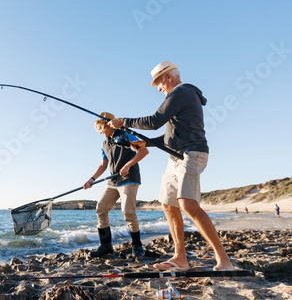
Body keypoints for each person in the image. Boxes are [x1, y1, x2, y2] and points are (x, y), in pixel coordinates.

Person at [109, 61, 234, 271]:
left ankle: (224, 261)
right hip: (175, 157)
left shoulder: (181, 93)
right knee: (167, 203)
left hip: (191, 154)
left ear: (167, 77)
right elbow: (168, 136)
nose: (158, 88)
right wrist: (146, 143)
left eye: (158, 82)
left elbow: (155, 121)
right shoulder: (178, 97)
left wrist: (124, 122)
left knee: (188, 204)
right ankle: (180, 258)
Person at [83, 112, 149, 258]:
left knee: (128, 212)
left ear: (107, 125)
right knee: (101, 208)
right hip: (113, 181)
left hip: (129, 179)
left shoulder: (125, 134)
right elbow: (103, 165)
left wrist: (127, 165)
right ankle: (106, 246)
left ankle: (137, 246)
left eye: (100, 127)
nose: (99, 131)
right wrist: (91, 179)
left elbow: (144, 150)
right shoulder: (105, 143)